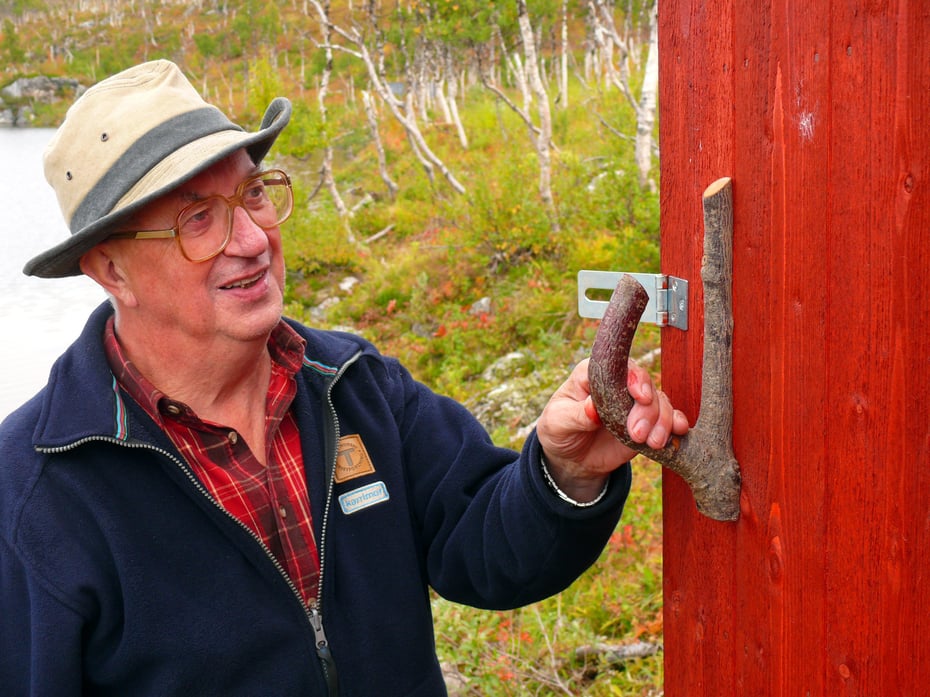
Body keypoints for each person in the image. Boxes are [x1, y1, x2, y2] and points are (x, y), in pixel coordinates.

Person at [0, 60, 688, 696]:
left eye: (253, 194)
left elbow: (484, 550)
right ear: (111, 270)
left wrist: (565, 472)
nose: (252, 239)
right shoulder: (36, 494)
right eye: (198, 219)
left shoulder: (353, 384)